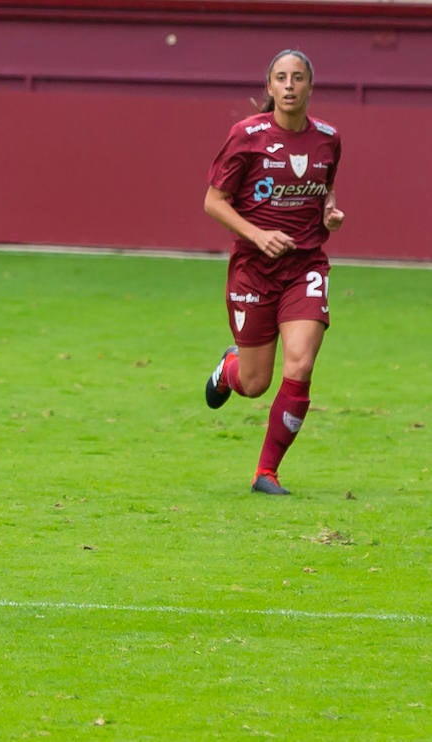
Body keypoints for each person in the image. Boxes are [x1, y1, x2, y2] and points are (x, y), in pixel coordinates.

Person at [202, 49, 345, 495]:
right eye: (280, 78)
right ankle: (230, 369)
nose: (288, 85)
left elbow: (324, 191)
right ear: (269, 87)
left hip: (305, 266)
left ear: (309, 86)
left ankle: (266, 473)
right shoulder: (246, 136)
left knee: (300, 363)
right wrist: (259, 235)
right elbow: (213, 201)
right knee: (255, 382)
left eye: (297, 78)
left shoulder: (328, 138)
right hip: (253, 270)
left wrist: (330, 213)